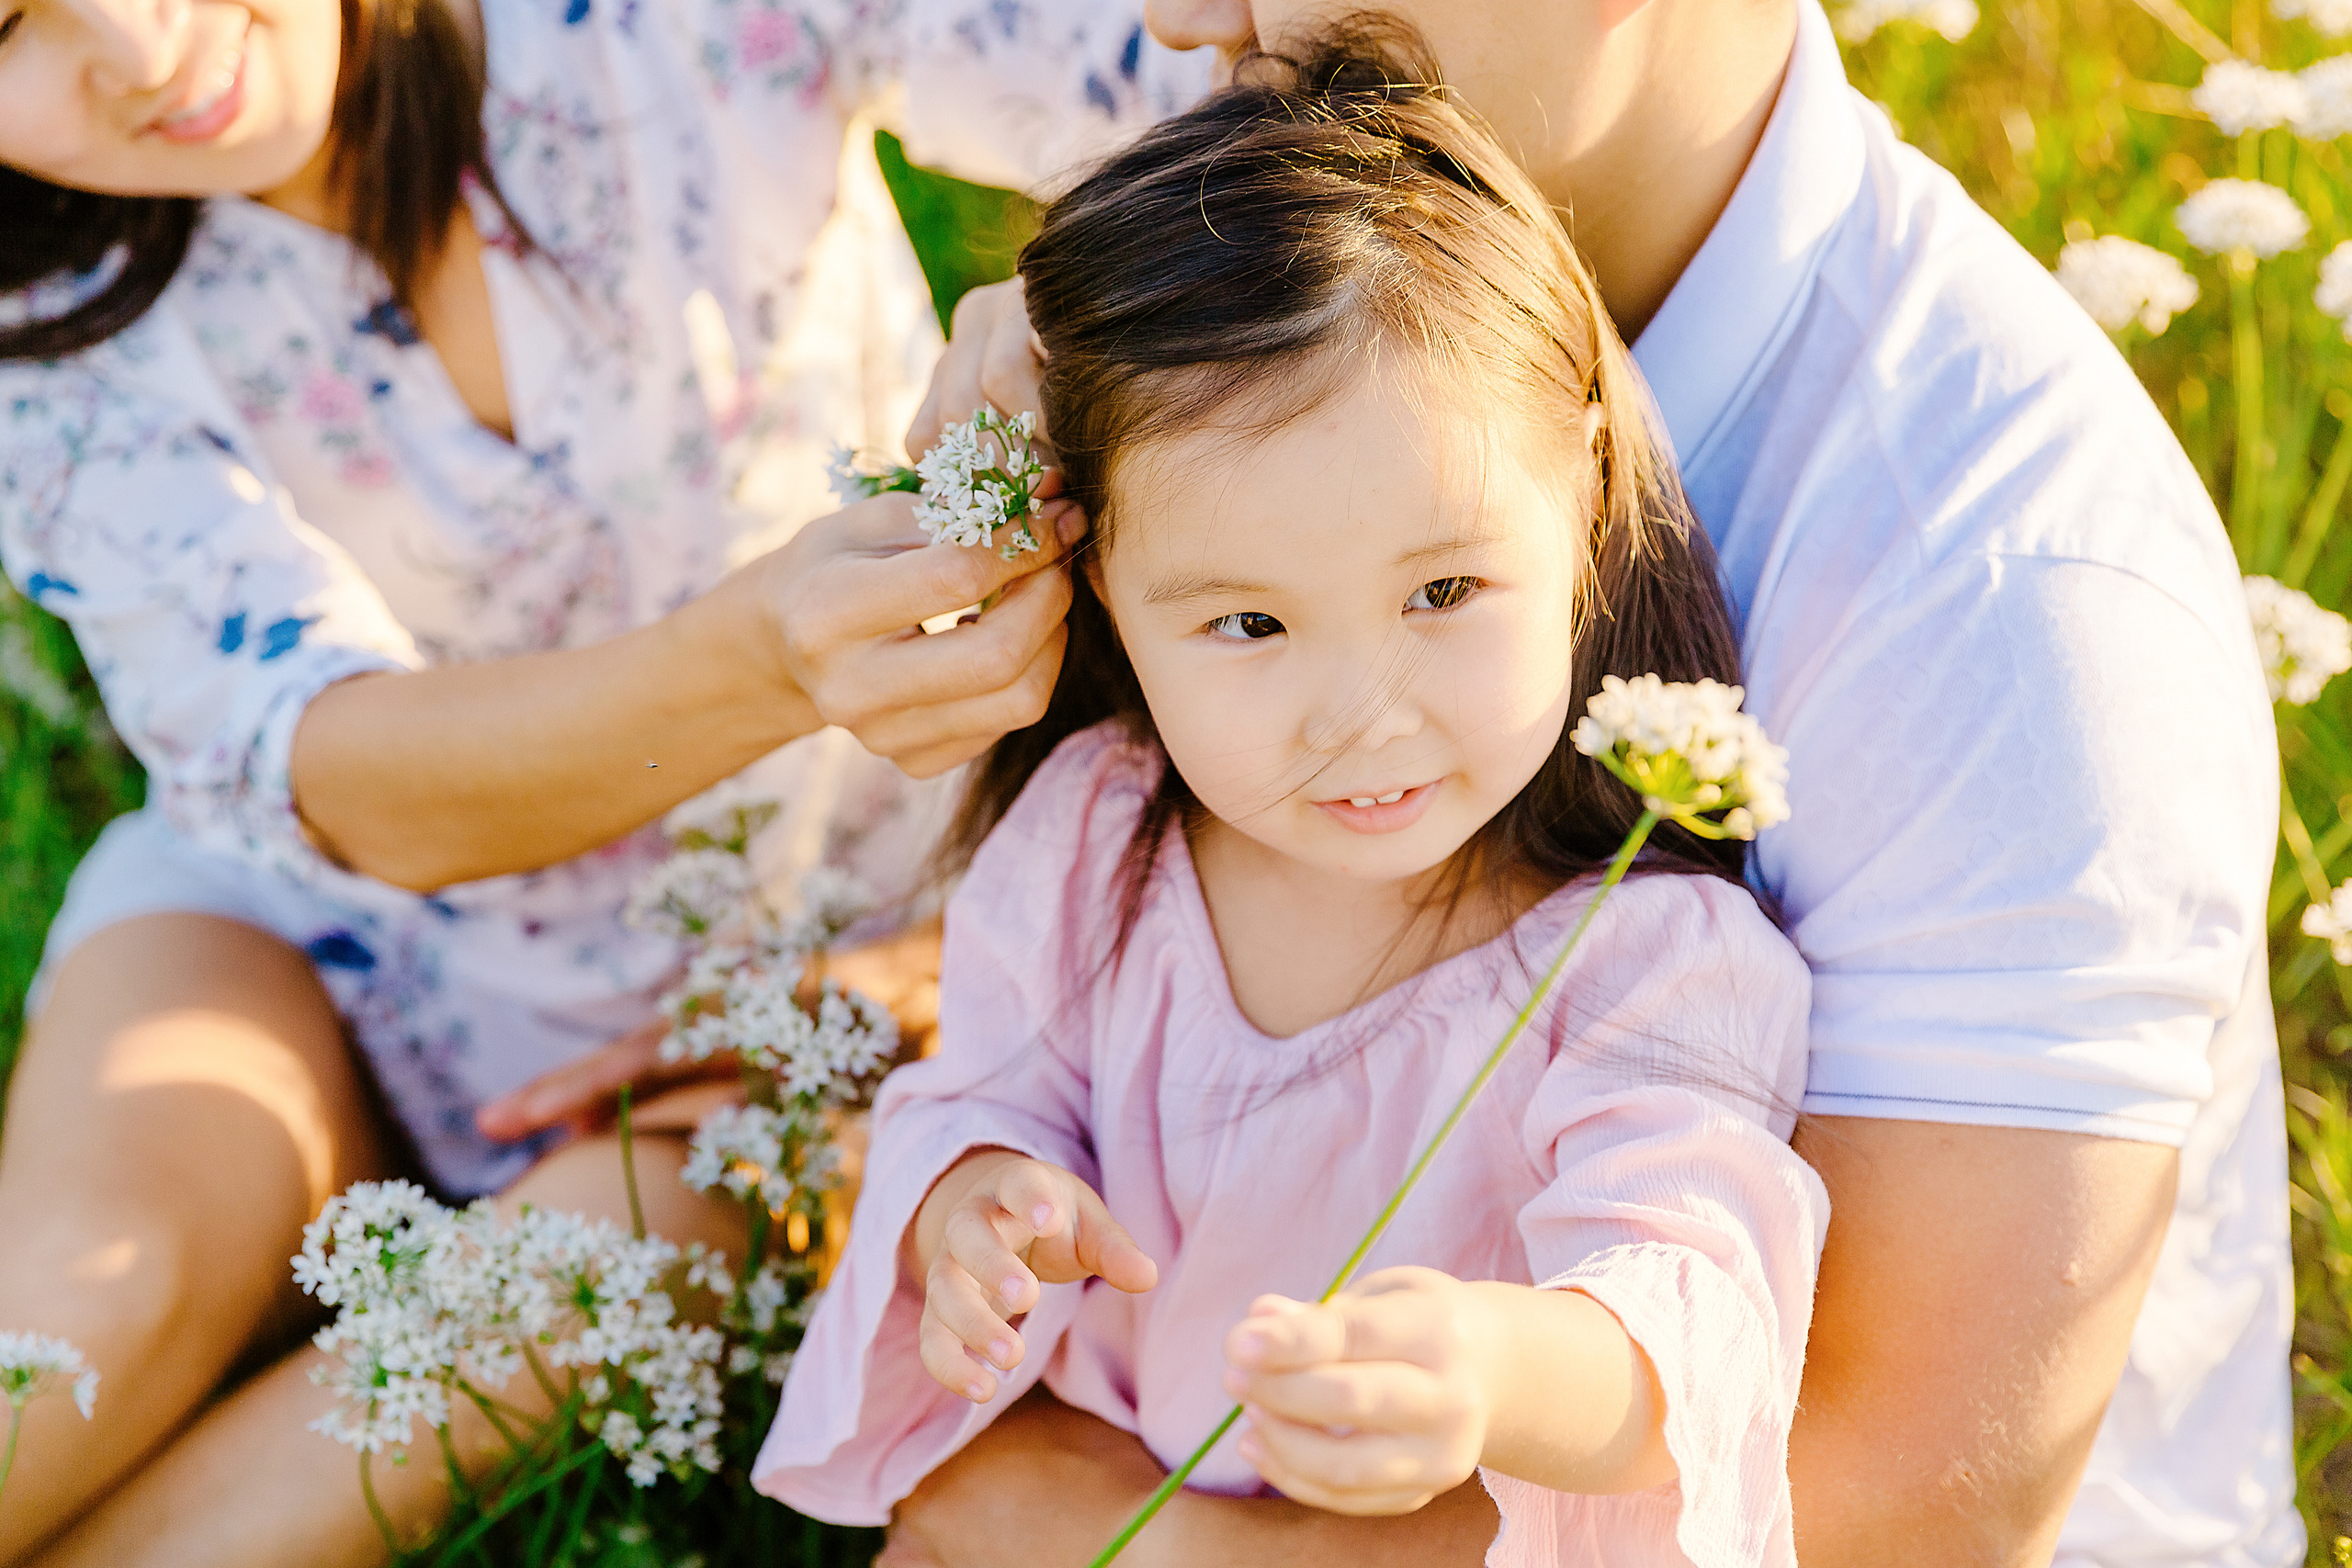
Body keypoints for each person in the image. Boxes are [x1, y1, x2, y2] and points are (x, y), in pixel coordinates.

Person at [887, 2, 2294, 1565]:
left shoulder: (2010, 594)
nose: (1182, 18)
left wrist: (1079, 1527)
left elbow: (1905, 1509)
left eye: (1447, 593)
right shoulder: (1316, 239)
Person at [0, 0, 1214, 1562]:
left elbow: (1253, 82)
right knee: (80, 1309)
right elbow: (345, 778)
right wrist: (768, 657)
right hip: (299, 932)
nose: (142, 52)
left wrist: (1061, 301)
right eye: (14, 31)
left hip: (792, 995)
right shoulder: (49, 322)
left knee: (409, 1399)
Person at [754, 39, 1829, 1565]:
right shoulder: (1096, 843)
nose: (1360, 714)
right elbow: (988, 1090)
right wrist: (978, 1203)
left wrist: (1485, 1369)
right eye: (1248, 625)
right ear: (1105, 587)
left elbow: (1688, 1315)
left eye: (1445, 591)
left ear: (1586, 496)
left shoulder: (1645, 968)